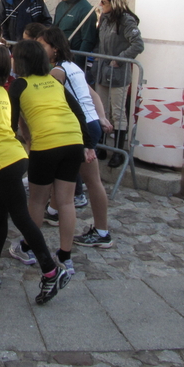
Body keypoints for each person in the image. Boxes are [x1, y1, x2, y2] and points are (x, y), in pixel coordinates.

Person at [0, 43, 71, 304]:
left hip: (6, 161)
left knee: (21, 218)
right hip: (15, 157)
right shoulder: (1, 91)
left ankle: (51, 269)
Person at [8, 40, 89, 275]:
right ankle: (66, 255)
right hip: (73, 141)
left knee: (36, 200)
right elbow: (78, 111)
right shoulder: (54, 82)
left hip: (47, 144)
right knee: (65, 201)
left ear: (20, 60)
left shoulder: (19, 85)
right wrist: (88, 144)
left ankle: (29, 246)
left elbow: (11, 124)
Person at [36, 26, 114, 248]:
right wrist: (101, 117)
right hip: (90, 124)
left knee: (88, 180)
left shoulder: (57, 72)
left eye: (43, 46)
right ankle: (54, 211)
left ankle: (101, 231)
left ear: (56, 48)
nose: (40, 50)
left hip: (81, 128)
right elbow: (93, 94)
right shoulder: (74, 68)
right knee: (76, 176)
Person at [94, 0, 144, 168]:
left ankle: (118, 152)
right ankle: (101, 146)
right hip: (103, 71)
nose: (101, 5)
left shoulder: (126, 21)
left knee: (118, 112)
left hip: (118, 74)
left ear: (113, 3)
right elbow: (101, 43)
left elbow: (138, 44)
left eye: (104, 2)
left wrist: (120, 59)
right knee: (102, 110)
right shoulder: (105, 19)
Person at [53, 0, 98, 69]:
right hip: (57, 59)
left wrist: (76, 64)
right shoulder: (60, 6)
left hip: (72, 62)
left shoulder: (86, 10)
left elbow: (88, 41)